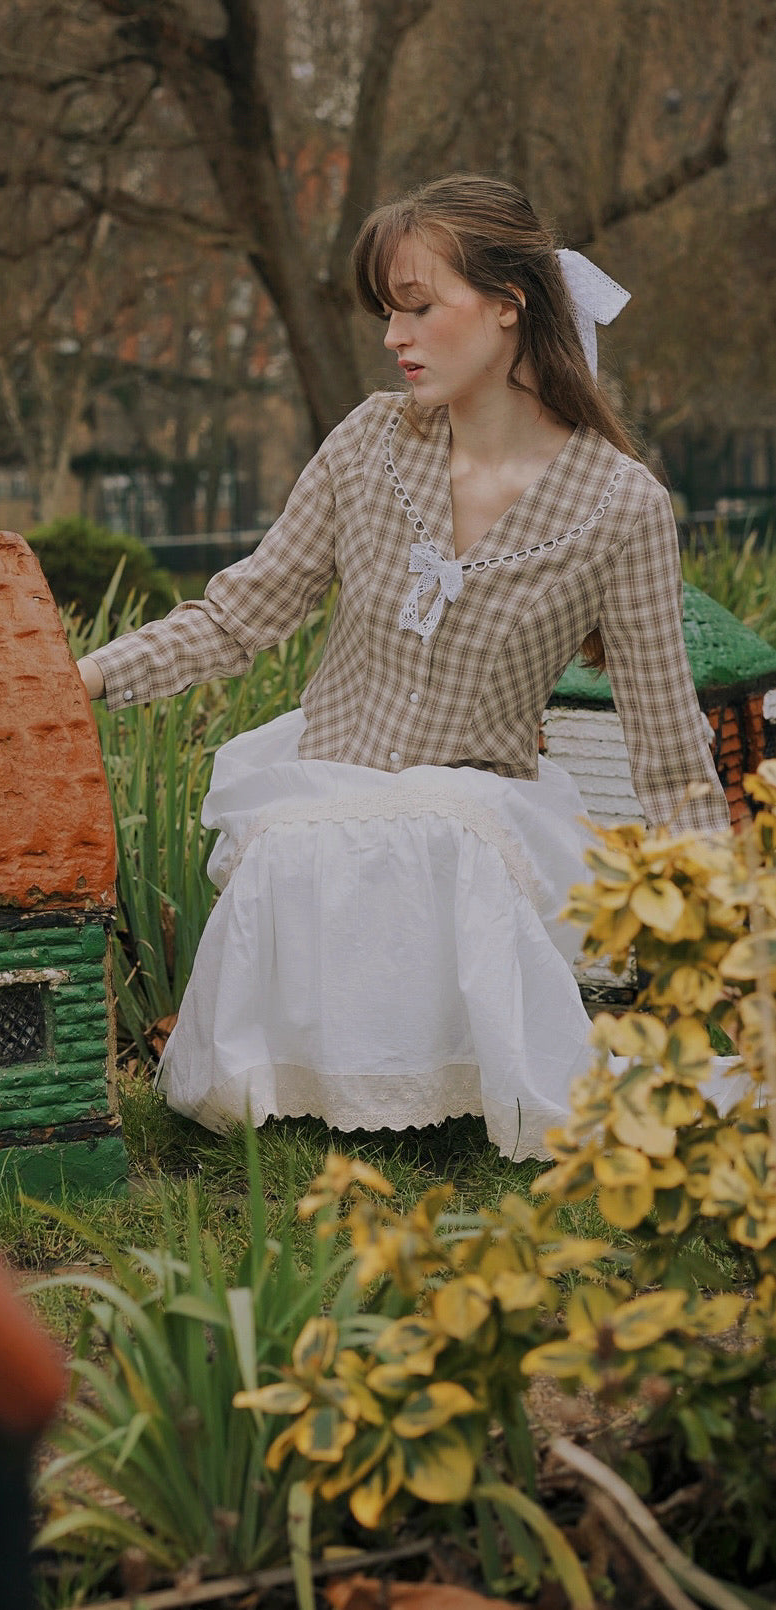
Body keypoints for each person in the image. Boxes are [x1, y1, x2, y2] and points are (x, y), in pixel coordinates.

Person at [77, 173, 729, 1160]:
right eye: (386, 312)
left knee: (440, 827)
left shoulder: (617, 504)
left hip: (481, 805)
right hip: (326, 776)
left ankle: (457, 1090)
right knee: (303, 838)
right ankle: (314, 1095)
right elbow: (233, 618)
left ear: (507, 306)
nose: (392, 335)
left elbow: (668, 746)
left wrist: (717, 932)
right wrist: (75, 678)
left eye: (417, 307)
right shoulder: (367, 442)